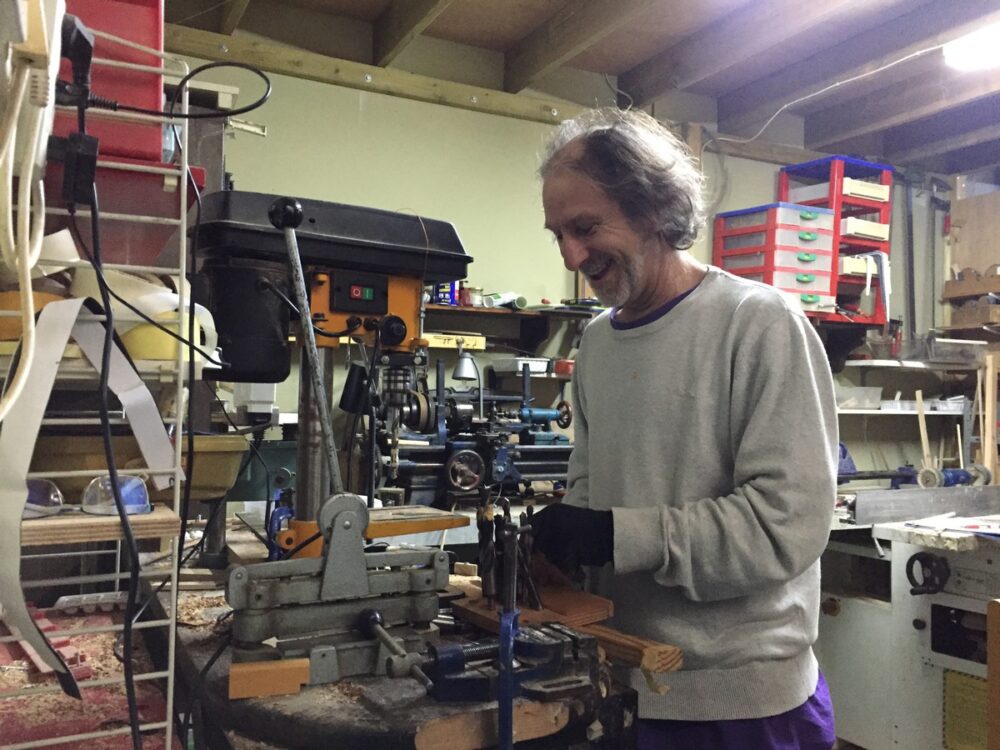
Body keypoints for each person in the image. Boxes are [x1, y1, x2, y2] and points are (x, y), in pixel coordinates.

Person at [529, 107, 839, 749]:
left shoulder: (758, 322)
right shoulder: (596, 344)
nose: (572, 254)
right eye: (557, 234)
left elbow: (785, 525)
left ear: (653, 209)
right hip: (620, 679)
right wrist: (554, 551)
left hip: (744, 708)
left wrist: (616, 536)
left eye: (585, 228)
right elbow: (590, 493)